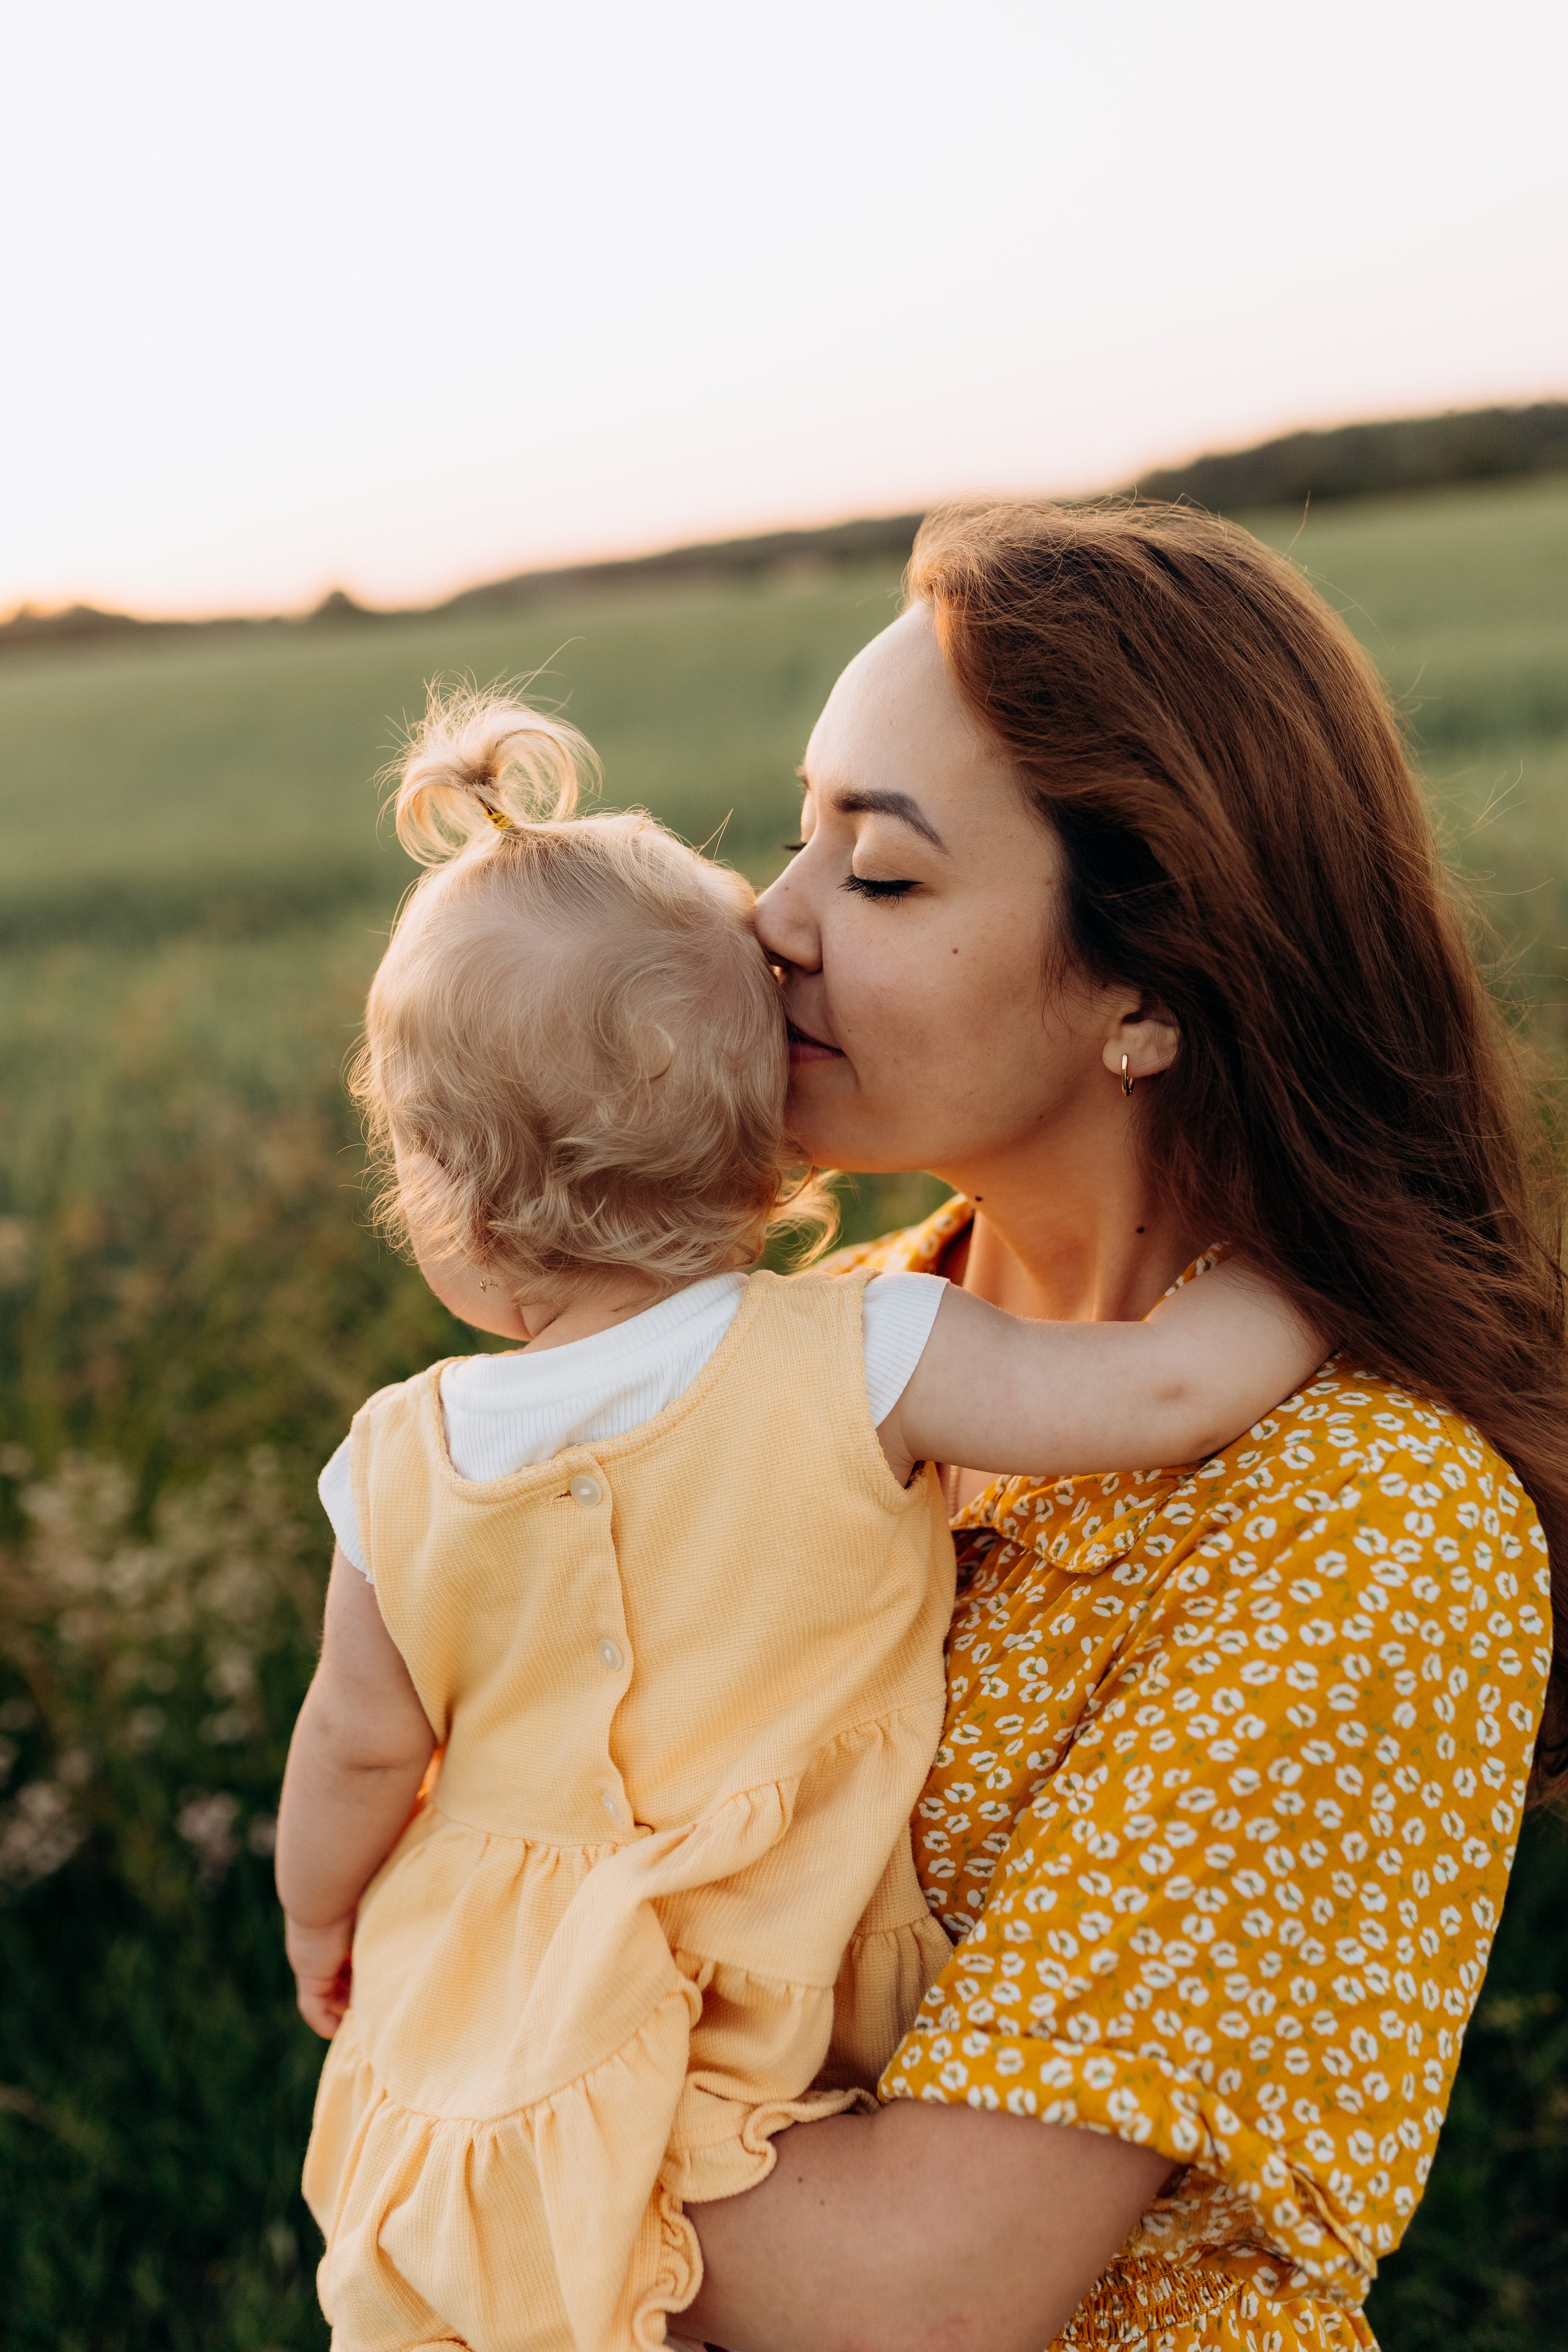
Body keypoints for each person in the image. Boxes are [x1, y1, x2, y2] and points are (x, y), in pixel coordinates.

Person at [272, 692, 1322, 2352]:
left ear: (445, 1210)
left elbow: (349, 1746)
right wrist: (1312, 1273)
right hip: (763, 1980)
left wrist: (322, 1916)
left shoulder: (399, 1458)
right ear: (759, 1137)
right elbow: (1161, 1398)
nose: (793, 910)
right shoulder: (863, 1350)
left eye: (879, 873)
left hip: (492, 2003)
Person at [680, 499, 1566, 2352]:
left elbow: (903, 2296)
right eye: (797, 836)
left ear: (1151, 985)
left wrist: (467, 2089)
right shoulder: (794, 1357)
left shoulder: (1369, 1526)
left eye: (885, 876)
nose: (771, 922)